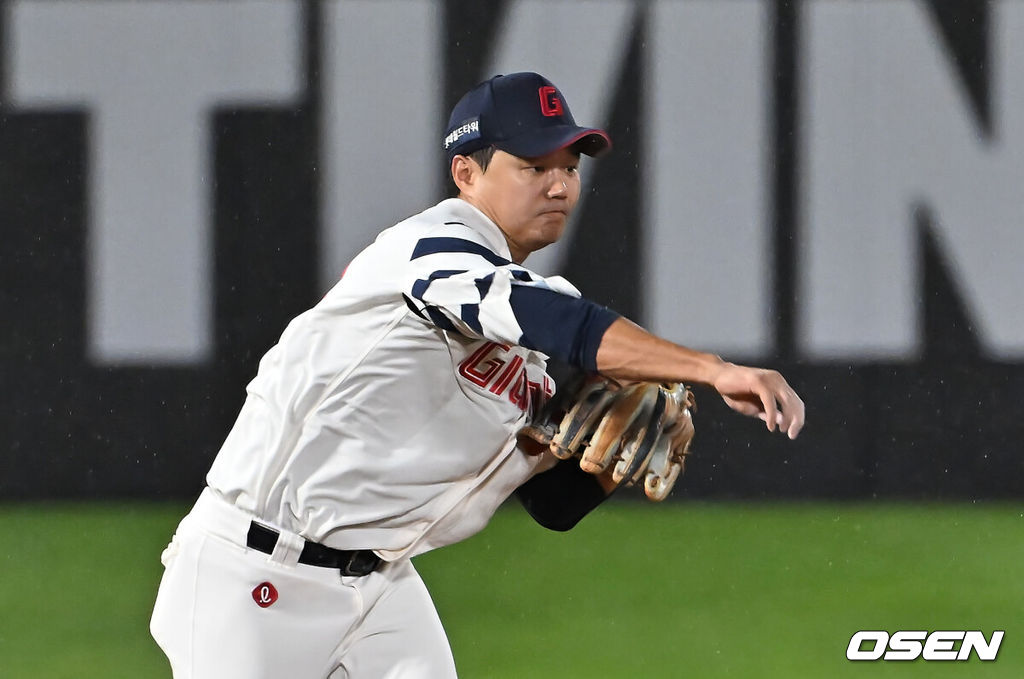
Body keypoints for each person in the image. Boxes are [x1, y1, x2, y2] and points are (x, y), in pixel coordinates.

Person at [149, 71, 805, 678]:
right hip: (255, 573)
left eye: (569, 168)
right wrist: (710, 369)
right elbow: (553, 320)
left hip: (380, 586)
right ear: (466, 172)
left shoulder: (537, 327)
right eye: (533, 165)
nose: (559, 185)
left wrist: (607, 464)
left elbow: (549, 507)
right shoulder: (431, 247)